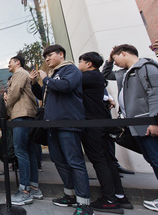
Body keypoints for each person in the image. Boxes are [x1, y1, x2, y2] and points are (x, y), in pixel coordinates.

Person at [30, 44, 93, 215]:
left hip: (68, 123)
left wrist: (46, 79)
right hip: (52, 125)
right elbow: (43, 94)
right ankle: (69, 195)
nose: (47, 59)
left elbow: (65, 86)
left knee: (75, 162)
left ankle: (84, 204)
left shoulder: (70, 69)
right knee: (59, 161)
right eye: (45, 57)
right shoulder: (52, 75)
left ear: (61, 54)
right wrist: (36, 83)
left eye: (50, 55)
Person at [102, 44, 158, 212]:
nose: (116, 62)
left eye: (116, 58)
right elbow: (104, 75)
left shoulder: (146, 67)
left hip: (148, 124)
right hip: (136, 126)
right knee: (152, 160)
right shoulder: (123, 73)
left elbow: (155, 93)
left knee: (156, 159)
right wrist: (110, 59)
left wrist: (155, 121)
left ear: (124, 53)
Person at [78, 52, 132, 213]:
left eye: (80, 61)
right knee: (107, 160)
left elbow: (69, 82)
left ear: (88, 64)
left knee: (100, 161)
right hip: (102, 122)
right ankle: (119, 196)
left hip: (92, 125)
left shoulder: (88, 77)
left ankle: (109, 200)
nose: (78, 65)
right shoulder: (97, 77)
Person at [6, 54, 42, 206]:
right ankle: (33, 186)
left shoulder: (20, 73)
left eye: (10, 62)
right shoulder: (25, 74)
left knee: (20, 150)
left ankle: (25, 190)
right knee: (29, 151)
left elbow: (14, 92)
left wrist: (7, 105)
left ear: (17, 62)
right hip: (28, 116)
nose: (8, 64)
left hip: (21, 115)